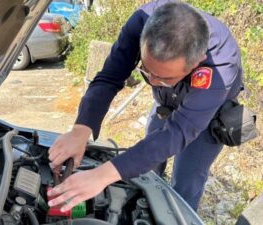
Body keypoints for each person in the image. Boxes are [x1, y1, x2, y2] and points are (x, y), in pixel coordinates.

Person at [48, 0, 243, 213]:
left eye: (164, 77)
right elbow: (109, 77)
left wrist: (101, 175)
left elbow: (179, 131)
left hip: (204, 115)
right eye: (147, 71)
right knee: (147, 171)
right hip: (166, 104)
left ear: (197, 62)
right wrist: (80, 130)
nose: (154, 82)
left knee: (187, 178)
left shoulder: (222, 65)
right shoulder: (143, 20)